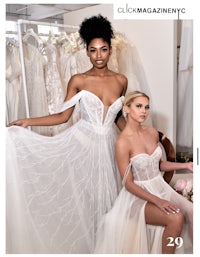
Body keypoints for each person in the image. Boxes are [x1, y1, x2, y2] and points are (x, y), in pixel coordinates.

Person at [6, 14, 127, 254]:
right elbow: (62, 116)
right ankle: (87, 247)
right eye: (93, 50)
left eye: (103, 49)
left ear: (111, 50)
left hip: (110, 147)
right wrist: (29, 121)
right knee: (87, 202)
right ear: (86, 52)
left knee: (111, 203)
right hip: (83, 145)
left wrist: (143, 138)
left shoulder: (121, 80)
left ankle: (105, 248)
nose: (99, 55)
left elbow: (118, 117)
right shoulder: (79, 80)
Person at [94, 91, 193, 254]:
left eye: (146, 107)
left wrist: (185, 166)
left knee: (193, 211)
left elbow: (157, 165)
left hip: (159, 186)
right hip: (136, 197)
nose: (144, 111)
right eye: (138, 106)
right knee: (176, 218)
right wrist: (158, 202)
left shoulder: (152, 132)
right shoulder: (122, 143)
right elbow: (128, 183)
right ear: (126, 108)